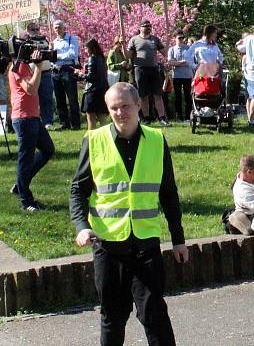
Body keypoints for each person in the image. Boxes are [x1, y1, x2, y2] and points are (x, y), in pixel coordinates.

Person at [70, 82, 189, 346]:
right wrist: (81, 226)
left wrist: (178, 239)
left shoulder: (157, 140)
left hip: (146, 244)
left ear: (138, 105)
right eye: (113, 108)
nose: (120, 113)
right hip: (108, 245)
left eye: (125, 106)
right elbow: (78, 191)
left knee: (155, 315)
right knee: (112, 316)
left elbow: (168, 193)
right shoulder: (94, 141)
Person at [9, 44, 55, 212]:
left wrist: (37, 65)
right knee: (25, 159)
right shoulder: (16, 66)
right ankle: (25, 200)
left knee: (48, 149)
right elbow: (31, 89)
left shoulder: (26, 65)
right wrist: (39, 68)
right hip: (23, 118)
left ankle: (20, 185)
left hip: (33, 117)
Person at [127, 19, 169, 126]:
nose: (148, 28)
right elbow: (128, 55)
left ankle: (162, 118)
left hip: (154, 69)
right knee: (143, 96)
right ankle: (146, 118)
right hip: (140, 70)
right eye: (145, 26)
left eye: (149, 26)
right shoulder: (134, 39)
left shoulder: (155, 39)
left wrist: (167, 44)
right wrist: (123, 45)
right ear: (140, 27)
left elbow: (164, 52)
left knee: (158, 95)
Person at [20, 22, 55, 130]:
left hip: (46, 72)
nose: (35, 31)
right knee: (34, 99)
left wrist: (50, 49)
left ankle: (48, 122)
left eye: (37, 29)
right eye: (32, 29)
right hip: (32, 73)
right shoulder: (25, 42)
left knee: (47, 98)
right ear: (27, 31)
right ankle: (36, 120)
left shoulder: (44, 40)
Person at [50, 19, 81, 130]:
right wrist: (52, 57)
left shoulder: (72, 39)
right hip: (56, 71)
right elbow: (50, 59)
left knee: (72, 98)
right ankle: (64, 123)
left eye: (59, 27)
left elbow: (73, 54)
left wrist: (56, 56)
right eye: (55, 27)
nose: (57, 29)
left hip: (68, 70)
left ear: (64, 28)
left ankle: (76, 123)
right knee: (60, 99)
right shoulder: (53, 42)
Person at [77, 38, 109, 130]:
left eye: (86, 48)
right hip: (102, 89)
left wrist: (80, 74)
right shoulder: (101, 58)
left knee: (90, 118)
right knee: (102, 117)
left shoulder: (92, 58)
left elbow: (91, 76)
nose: (85, 51)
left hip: (92, 91)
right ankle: (108, 136)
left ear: (91, 48)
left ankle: (91, 138)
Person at [166, 32, 193, 121]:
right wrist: (182, 62)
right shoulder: (172, 49)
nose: (181, 40)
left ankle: (189, 116)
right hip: (177, 76)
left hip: (187, 76)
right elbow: (170, 62)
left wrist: (177, 63)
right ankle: (179, 116)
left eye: (182, 38)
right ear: (175, 39)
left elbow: (190, 61)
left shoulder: (188, 48)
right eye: (179, 38)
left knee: (187, 97)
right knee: (178, 97)